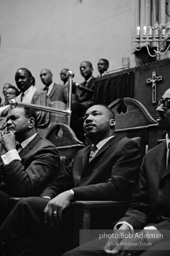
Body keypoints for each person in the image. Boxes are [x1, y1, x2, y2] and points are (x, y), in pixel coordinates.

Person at [0, 104, 142, 256]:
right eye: (85, 117)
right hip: (70, 211)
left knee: (27, 205)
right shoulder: (82, 152)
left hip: (96, 214)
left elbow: (116, 186)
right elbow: (59, 182)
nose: (88, 119)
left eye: (95, 114)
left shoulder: (126, 145)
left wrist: (72, 193)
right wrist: (47, 197)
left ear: (112, 122)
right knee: (29, 221)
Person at [63, 84, 170, 256]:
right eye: (161, 102)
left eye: (169, 104)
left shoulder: (125, 147)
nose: (159, 108)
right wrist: (125, 226)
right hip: (146, 231)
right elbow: (140, 204)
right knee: (75, 254)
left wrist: (148, 235)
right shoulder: (152, 156)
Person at [0, 105, 60, 226]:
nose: (8, 123)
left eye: (14, 118)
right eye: (7, 120)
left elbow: (25, 187)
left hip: (23, 212)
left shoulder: (46, 149)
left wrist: (10, 149)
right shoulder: (13, 146)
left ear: (31, 122)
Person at [71, 61, 96, 142]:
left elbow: (94, 99)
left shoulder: (96, 82)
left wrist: (80, 105)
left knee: (74, 105)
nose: (82, 69)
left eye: (84, 67)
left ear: (91, 68)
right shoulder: (79, 85)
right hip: (78, 109)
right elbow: (75, 99)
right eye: (80, 68)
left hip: (89, 107)